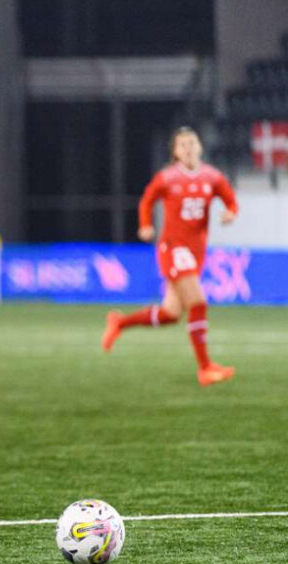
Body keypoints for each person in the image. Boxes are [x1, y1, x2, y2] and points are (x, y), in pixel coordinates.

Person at [102, 126, 238, 386]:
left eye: (192, 142)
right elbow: (147, 200)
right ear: (175, 152)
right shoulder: (168, 178)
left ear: (200, 146)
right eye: (182, 144)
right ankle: (205, 368)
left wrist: (230, 212)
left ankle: (120, 323)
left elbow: (231, 201)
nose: (188, 148)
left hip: (196, 251)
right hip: (173, 248)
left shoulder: (212, 176)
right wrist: (145, 224)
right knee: (198, 303)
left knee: (171, 314)